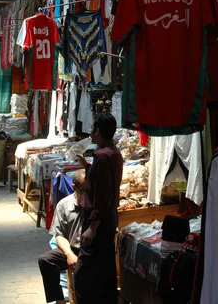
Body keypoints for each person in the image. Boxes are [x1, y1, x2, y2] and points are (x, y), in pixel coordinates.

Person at [75, 113, 123, 304]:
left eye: (93, 131)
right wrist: (87, 166)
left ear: (97, 132)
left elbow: (102, 195)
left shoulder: (103, 156)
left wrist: (92, 227)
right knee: (105, 269)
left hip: (99, 221)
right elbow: (102, 184)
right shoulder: (113, 153)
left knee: (84, 275)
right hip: (109, 218)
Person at [38, 170, 86, 304]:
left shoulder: (96, 203)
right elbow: (59, 235)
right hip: (73, 249)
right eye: (83, 191)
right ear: (74, 188)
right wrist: (69, 254)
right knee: (46, 260)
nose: (86, 195)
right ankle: (59, 300)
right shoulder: (64, 205)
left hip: (92, 251)